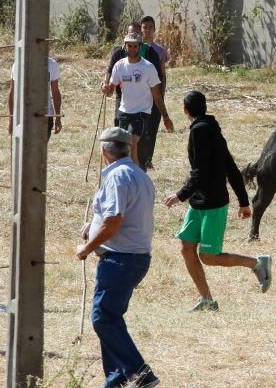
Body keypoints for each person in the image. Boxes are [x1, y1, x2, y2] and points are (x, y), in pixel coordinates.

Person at [164, 90, 272, 312]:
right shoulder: (212, 129)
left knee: (209, 256)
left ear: (185, 111)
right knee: (186, 248)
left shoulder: (200, 131)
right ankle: (207, 300)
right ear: (205, 107)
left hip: (212, 203)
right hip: (198, 202)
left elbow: (200, 172)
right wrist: (243, 202)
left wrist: (180, 195)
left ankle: (257, 263)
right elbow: (231, 167)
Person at [76, 127, 160, 388]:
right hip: (133, 257)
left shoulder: (117, 176)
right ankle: (116, 379)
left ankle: (140, 374)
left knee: (103, 318)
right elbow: (125, 215)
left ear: (104, 151)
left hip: (120, 259)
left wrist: (87, 247)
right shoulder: (140, 175)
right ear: (128, 148)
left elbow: (114, 221)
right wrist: (94, 225)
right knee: (110, 318)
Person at [101, 31, 174, 165]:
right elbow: (110, 91)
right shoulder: (119, 66)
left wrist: (165, 117)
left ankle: (135, 174)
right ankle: (133, 171)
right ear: (125, 46)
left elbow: (157, 95)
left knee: (131, 142)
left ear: (140, 47)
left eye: (135, 46)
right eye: (130, 46)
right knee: (123, 148)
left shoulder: (148, 67)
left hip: (142, 113)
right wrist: (105, 88)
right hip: (124, 112)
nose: (132, 49)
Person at [137, 17, 168, 170]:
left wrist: (161, 94)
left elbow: (163, 74)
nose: (147, 30)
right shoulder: (135, 47)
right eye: (145, 27)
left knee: (153, 127)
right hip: (139, 94)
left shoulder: (160, 50)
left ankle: (148, 158)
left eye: (150, 27)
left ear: (154, 29)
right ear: (141, 29)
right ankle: (137, 157)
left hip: (154, 93)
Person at [8, 56, 61, 139]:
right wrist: (11, 119)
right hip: (24, 115)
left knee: (41, 146)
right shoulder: (19, 65)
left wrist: (58, 117)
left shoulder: (52, 64)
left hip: (45, 116)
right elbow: (13, 92)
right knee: (26, 145)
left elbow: (55, 92)